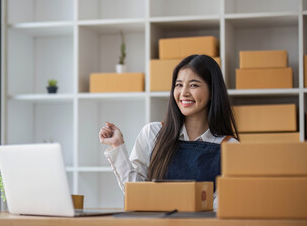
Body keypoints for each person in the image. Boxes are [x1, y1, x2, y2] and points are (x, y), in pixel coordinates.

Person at [99, 54, 239, 209]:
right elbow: (137, 192)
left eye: (193, 85)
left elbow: (219, 209)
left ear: (212, 91)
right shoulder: (153, 133)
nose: (184, 92)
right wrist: (117, 146)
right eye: (179, 85)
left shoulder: (230, 147)